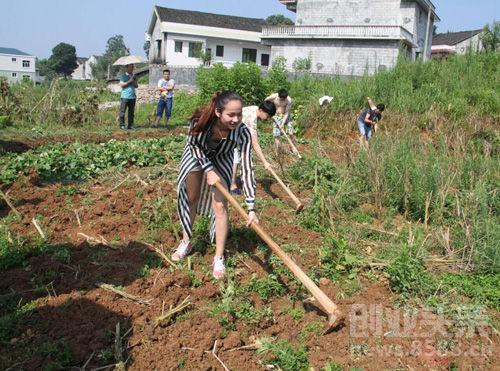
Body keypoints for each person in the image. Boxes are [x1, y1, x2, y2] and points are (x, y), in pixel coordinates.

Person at [173, 91, 258, 279]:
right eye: (231, 114)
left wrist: (251, 207)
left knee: (220, 206)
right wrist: (208, 169)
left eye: (239, 114)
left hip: (223, 158)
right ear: (219, 112)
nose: (236, 119)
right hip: (196, 154)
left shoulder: (242, 132)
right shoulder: (201, 122)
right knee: (192, 197)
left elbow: (247, 166)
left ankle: (219, 256)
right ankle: (187, 240)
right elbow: (193, 145)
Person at [230, 101, 276, 195]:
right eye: (268, 116)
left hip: (235, 130)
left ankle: (236, 179)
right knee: (235, 159)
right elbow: (254, 143)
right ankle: (232, 186)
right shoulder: (251, 119)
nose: (268, 119)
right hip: (229, 131)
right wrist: (265, 162)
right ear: (261, 110)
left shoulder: (255, 108)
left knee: (236, 157)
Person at [265, 89, 296, 153]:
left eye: (284, 99)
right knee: (277, 134)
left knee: (291, 132)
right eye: (281, 98)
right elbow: (266, 101)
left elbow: (287, 113)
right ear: (279, 96)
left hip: (286, 117)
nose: (282, 100)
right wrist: (270, 113)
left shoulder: (288, 100)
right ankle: (277, 150)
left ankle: (293, 148)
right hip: (277, 117)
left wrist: (283, 123)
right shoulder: (274, 97)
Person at [118, 64, 138, 130]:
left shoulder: (133, 76)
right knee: (122, 112)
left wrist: (134, 80)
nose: (131, 68)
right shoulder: (123, 76)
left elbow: (136, 86)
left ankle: (130, 125)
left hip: (132, 97)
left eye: (132, 67)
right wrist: (129, 81)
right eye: (130, 67)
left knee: (131, 112)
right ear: (126, 68)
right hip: (125, 97)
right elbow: (122, 85)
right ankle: (122, 125)